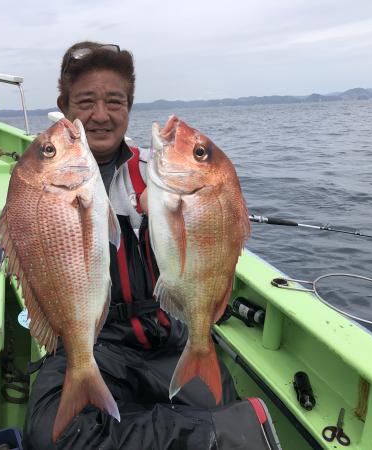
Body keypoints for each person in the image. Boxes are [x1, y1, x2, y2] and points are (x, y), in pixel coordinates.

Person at [23, 42, 248, 450]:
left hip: (164, 336)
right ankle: (190, 435)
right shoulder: (38, 184)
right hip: (90, 342)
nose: (101, 115)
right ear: (64, 107)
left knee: (224, 414)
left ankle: (183, 432)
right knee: (47, 436)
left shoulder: (157, 171)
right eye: (86, 102)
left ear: (128, 107)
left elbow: (211, 233)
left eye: (115, 102)